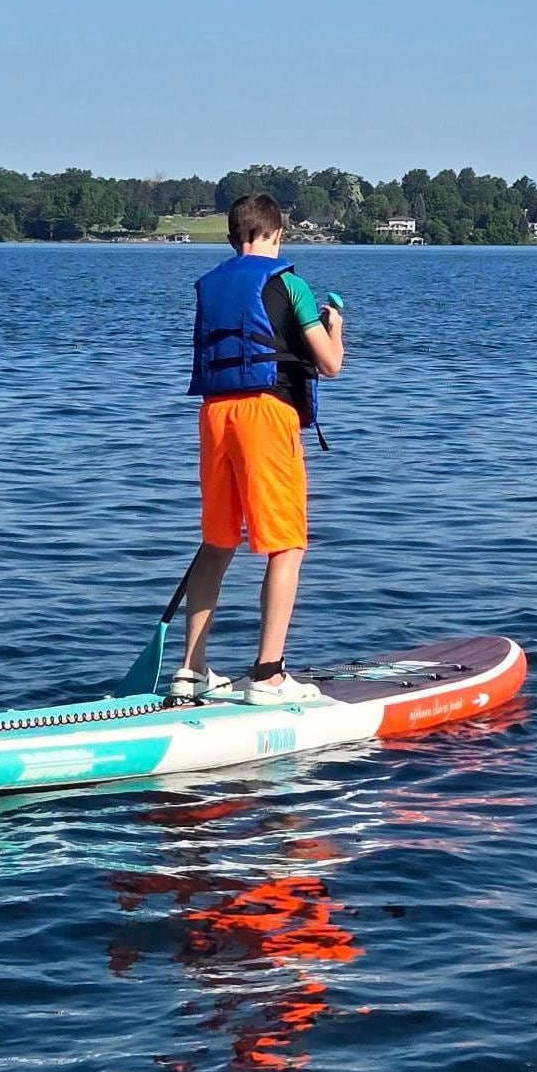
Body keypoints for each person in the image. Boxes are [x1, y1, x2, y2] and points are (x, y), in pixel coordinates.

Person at [172, 193, 345, 705]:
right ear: (277, 234)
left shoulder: (212, 285)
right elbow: (330, 364)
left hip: (214, 415)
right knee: (286, 544)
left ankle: (191, 669)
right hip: (265, 417)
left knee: (218, 540)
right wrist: (335, 324)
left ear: (233, 237)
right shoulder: (290, 284)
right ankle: (268, 675)